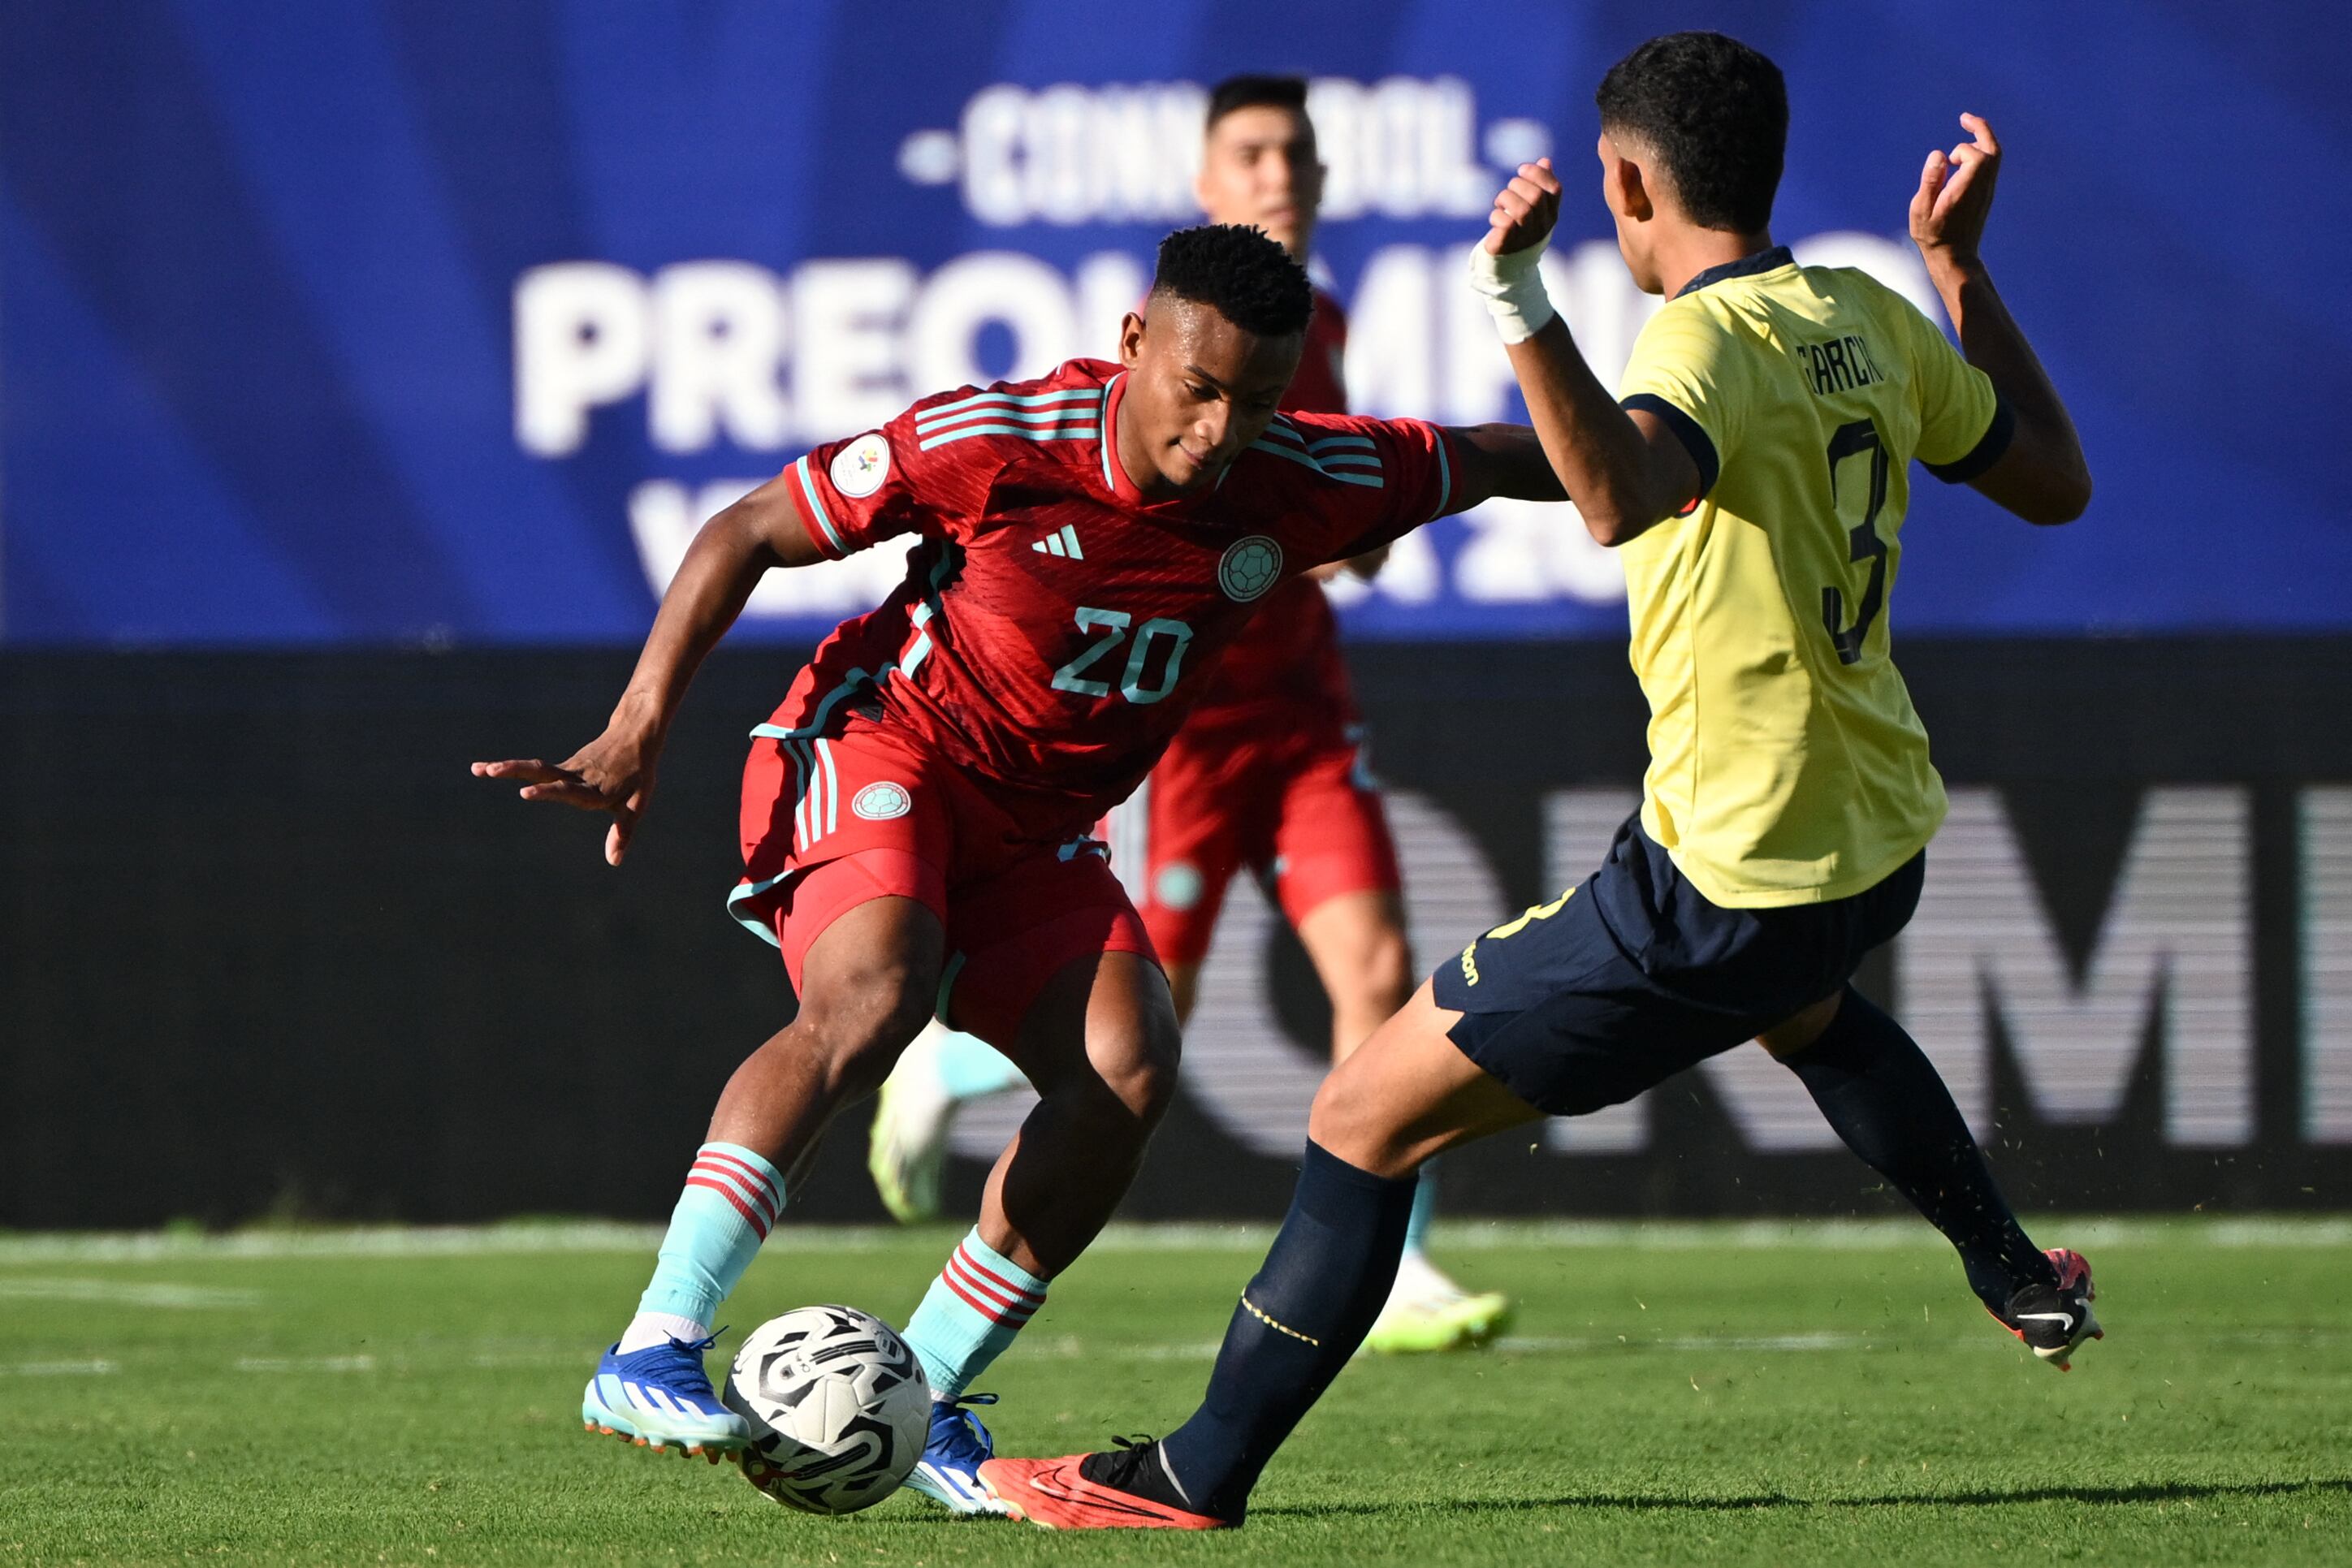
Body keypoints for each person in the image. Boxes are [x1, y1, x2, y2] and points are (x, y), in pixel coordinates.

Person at [977, 31, 2099, 1531]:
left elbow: (1620, 499)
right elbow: (2054, 481)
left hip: (1720, 872)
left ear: (1629, 184)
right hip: (1870, 836)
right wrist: (1959, 269)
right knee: (1812, 1011)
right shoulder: (1868, 311)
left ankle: (1193, 1476)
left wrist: (1517, 303)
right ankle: (2014, 1270)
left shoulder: (1697, 345)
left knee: (1360, 1118)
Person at [473, 222, 1566, 1514]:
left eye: (1257, 402)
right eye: (1199, 390)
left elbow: (1497, 458)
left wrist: (1692, 456)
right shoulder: (999, 440)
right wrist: (642, 720)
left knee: (1127, 1073)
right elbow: (748, 527)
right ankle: (653, 1344)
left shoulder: (1300, 470)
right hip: (886, 744)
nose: (1220, 432)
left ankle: (924, 1397)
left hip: (1039, 829)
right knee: (873, 994)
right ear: (1133, 346)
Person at [867, 72, 1509, 1356]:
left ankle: (1406, 1265)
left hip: (1303, 707)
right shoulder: (1171, 345)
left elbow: (1323, 491)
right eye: (1253, 154)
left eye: (1297, 156)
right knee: (1163, 1005)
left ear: (1322, 182)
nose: (1278, 174)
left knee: (1380, 976)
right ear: (1209, 182)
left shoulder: (1311, 320)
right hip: (1183, 716)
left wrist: (1350, 536)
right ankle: (940, 1064)